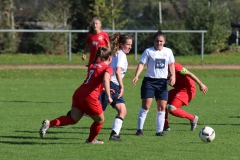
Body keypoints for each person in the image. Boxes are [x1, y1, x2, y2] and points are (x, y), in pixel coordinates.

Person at [39, 47, 114, 144]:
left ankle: (49, 123)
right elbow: (105, 80)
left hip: (79, 93)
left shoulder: (92, 65)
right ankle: (91, 140)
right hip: (89, 97)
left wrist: (103, 90)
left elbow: (91, 82)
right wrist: (108, 95)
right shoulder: (107, 68)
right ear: (109, 58)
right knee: (100, 120)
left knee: (73, 119)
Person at [132, 30, 176, 136]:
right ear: (153, 41)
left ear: (164, 42)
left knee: (161, 107)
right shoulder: (148, 51)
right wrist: (137, 75)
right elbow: (142, 64)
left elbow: (171, 65)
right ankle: (139, 130)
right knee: (146, 106)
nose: (159, 43)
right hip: (149, 82)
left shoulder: (168, 51)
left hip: (162, 83)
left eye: (161, 41)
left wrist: (173, 76)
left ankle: (159, 131)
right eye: (157, 41)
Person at [100, 33, 132, 141]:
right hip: (114, 84)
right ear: (121, 44)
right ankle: (77, 112)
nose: (130, 47)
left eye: (131, 45)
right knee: (98, 112)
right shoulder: (121, 54)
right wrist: (122, 86)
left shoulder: (116, 53)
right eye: (127, 44)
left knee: (121, 110)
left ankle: (114, 134)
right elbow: (118, 72)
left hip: (110, 83)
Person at [164, 62, 208, 131]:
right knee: (161, 101)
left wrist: (201, 84)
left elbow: (189, 74)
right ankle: (165, 126)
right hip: (178, 89)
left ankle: (193, 118)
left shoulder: (174, 66)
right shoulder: (158, 70)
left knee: (171, 108)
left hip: (188, 89)